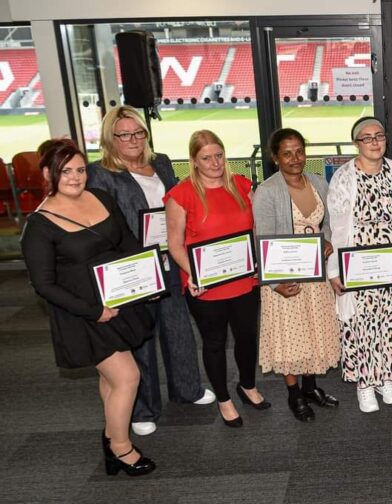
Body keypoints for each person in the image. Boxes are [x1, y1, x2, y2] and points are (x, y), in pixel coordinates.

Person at [21, 139, 156, 476]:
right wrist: (94, 311)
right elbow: (44, 285)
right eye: (66, 171)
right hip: (84, 314)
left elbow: (126, 242)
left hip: (118, 300)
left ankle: (112, 435)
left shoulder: (102, 197)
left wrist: (147, 279)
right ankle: (121, 449)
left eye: (81, 169)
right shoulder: (38, 225)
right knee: (128, 376)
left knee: (111, 379)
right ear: (48, 173)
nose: (76, 177)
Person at [87, 105, 215, 437]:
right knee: (140, 336)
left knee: (179, 329)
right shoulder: (99, 173)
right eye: (124, 134)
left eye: (138, 132)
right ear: (110, 138)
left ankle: (188, 389)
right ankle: (143, 409)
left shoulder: (161, 163)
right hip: (134, 267)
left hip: (169, 259)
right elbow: (101, 224)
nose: (132, 139)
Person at [164, 130, 268, 429]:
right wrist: (193, 275)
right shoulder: (180, 194)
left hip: (244, 279)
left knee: (247, 336)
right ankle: (223, 397)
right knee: (214, 342)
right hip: (206, 284)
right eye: (206, 158)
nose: (215, 163)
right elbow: (174, 243)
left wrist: (260, 263)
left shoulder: (241, 185)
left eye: (219, 155)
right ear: (194, 161)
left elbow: (255, 230)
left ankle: (247, 385)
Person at [327, 117, 392, 413]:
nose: (375, 142)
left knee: (389, 319)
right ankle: (364, 383)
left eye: (379, 136)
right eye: (367, 138)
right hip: (357, 259)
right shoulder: (343, 177)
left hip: (391, 257)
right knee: (362, 322)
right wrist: (335, 269)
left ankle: (386, 377)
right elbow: (337, 228)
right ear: (356, 143)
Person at [253, 128, 341, 422]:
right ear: (275, 157)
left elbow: (327, 223)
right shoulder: (267, 191)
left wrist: (326, 239)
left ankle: (311, 387)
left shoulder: (318, 183)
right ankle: (294, 395)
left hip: (315, 275)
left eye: (299, 151)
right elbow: (261, 240)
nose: (295, 158)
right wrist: (275, 283)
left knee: (313, 331)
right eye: (287, 153)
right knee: (291, 337)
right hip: (284, 277)